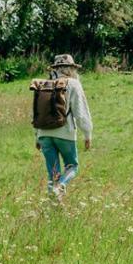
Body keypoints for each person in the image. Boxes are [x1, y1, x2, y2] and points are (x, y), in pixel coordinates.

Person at [34, 54, 93, 201]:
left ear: (56, 68)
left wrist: (37, 136)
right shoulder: (73, 84)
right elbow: (80, 112)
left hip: (43, 133)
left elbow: (35, 112)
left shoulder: (44, 84)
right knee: (72, 166)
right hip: (65, 132)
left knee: (53, 172)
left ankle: (54, 204)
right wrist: (87, 134)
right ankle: (60, 187)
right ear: (71, 69)